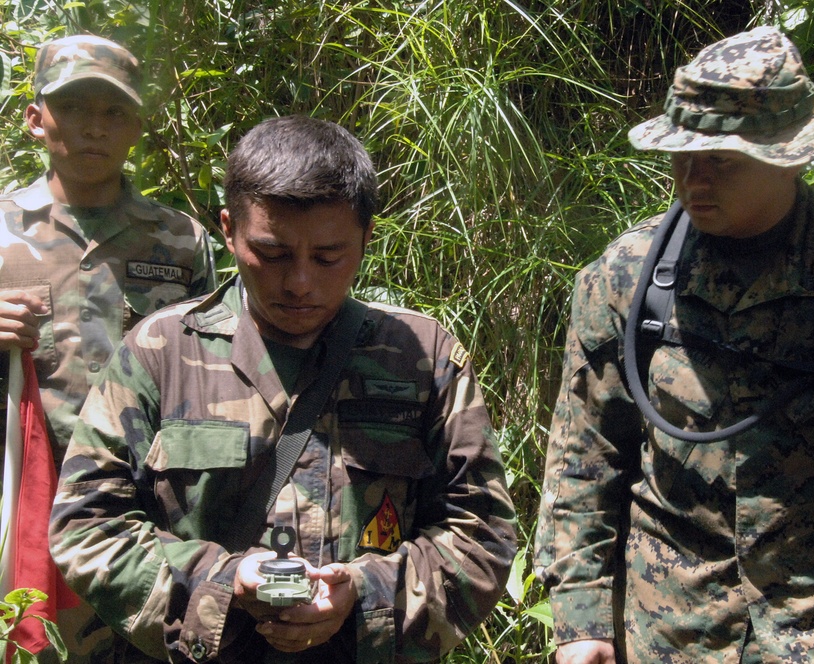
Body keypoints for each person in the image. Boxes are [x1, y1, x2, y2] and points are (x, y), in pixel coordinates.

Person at [534, 26, 814, 663]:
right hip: (672, 637)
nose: (692, 180)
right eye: (681, 157)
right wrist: (580, 621)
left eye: (720, 161)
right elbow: (583, 460)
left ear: (788, 155)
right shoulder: (629, 275)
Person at [49, 115, 517, 663]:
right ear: (228, 229)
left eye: (328, 257)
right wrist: (221, 583)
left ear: (367, 237)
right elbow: (85, 525)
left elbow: (482, 534)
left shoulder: (423, 356)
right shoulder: (161, 352)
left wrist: (365, 597)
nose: (299, 282)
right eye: (271, 254)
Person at [0, 34, 217, 662]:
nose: (94, 127)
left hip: (142, 507)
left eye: (113, 111)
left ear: (136, 129)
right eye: (74, 107)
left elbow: (217, 370)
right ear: (36, 119)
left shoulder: (179, 242)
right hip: (24, 496)